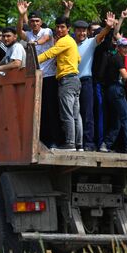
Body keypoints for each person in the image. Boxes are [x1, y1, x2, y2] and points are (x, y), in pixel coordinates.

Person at [16, 0, 61, 148]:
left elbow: (44, 39)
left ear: (41, 22)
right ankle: (42, 140)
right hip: (35, 77)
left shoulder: (46, 31)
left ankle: (55, 140)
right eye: (33, 21)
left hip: (48, 76)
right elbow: (18, 32)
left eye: (37, 21)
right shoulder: (28, 34)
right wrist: (21, 15)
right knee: (38, 110)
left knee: (51, 109)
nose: (35, 23)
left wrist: (34, 43)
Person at [37, 16, 82, 152]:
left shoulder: (64, 40)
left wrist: (32, 59)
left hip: (67, 80)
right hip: (74, 79)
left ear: (68, 28)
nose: (59, 29)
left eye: (63, 27)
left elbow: (50, 53)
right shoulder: (71, 41)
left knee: (67, 113)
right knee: (75, 115)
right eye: (57, 27)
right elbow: (78, 59)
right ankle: (78, 144)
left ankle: (70, 144)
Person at [72, 12, 115, 151]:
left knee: (87, 113)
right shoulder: (69, 43)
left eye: (84, 30)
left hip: (86, 81)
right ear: (75, 31)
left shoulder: (90, 43)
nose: (81, 33)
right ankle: (74, 143)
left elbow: (101, 36)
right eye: (79, 30)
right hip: (71, 81)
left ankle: (89, 143)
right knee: (71, 114)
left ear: (87, 32)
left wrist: (108, 27)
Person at [99, 39, 127, 154]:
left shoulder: (116, 58)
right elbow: (125, 76)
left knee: (118, 121)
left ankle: (106, 145)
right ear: (118, 47)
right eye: (124, 47)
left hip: (112, 90)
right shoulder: (118, 58)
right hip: (116, 90)